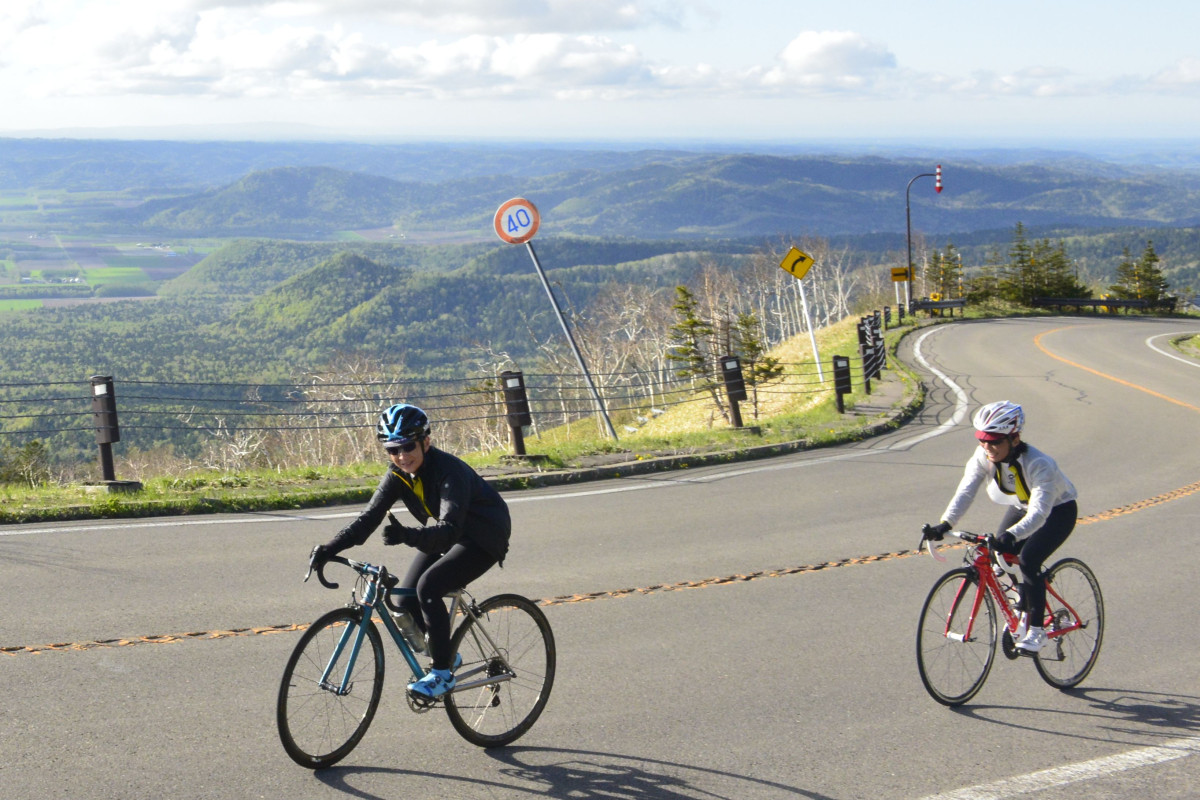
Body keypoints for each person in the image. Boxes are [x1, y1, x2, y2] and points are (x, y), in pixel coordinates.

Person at [310, 403, 510, 698]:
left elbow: (448, 532)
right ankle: (447, 655)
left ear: (426, 442)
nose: (402, 456)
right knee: (403, 599)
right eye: (393, 450)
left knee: (429, 587)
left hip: (483, 537)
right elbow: (368, 519)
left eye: (408, 447)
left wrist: (408, 535)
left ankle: (442, 674)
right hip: (448, 533)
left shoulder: (448, 472)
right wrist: (329, 548)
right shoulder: (398, 474)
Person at [924, 400, 1078, 655]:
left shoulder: (1040, 464)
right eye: (983, 440)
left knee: (1028, 559)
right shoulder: (983, 455)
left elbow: (1040, 513)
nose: (988, 447)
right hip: (1021, 506)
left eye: (995, 441)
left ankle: (1037, 631)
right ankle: (1022, 602)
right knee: (997, 557)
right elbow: (966, 490)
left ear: (1014, 439)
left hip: (1056, 511)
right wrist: (946, 523)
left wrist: (1012, 535)